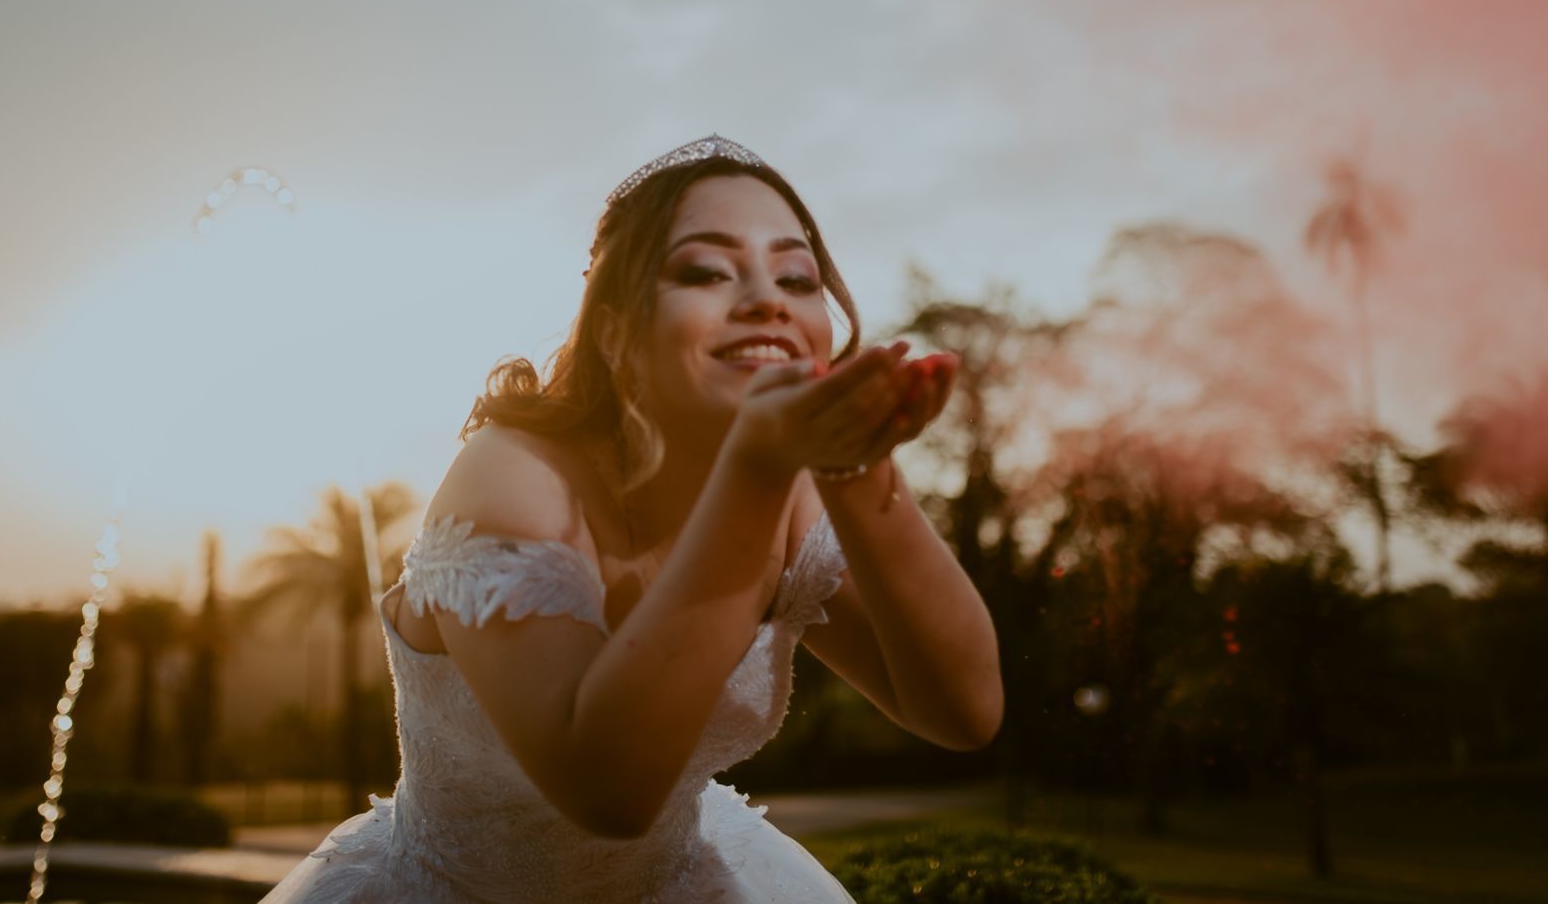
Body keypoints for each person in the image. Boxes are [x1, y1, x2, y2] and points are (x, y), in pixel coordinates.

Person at [260, 134, 1002, 903]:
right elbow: (607, 790)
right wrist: (757, 468)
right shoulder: (514, 480)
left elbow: (962, 711)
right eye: (706, 270)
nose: (767, 299)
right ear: (614, 332)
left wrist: (858, 465)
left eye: (795, 275)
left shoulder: (795, 489)